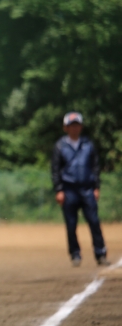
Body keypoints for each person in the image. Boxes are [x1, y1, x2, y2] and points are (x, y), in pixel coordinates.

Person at [51, 112, 110, 267]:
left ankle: (100, 253)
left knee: (94, 221)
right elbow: (55, 170)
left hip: (87, 189)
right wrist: (59, 189)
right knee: (71, 225)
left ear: (81, 127)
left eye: (77, 125)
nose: (74, 128)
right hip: (69, 190)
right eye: (71, 125)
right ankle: (75, 254)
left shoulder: (88, 144)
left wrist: (96, 187)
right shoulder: (60, 146)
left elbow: (95, 167)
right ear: (65, 128)